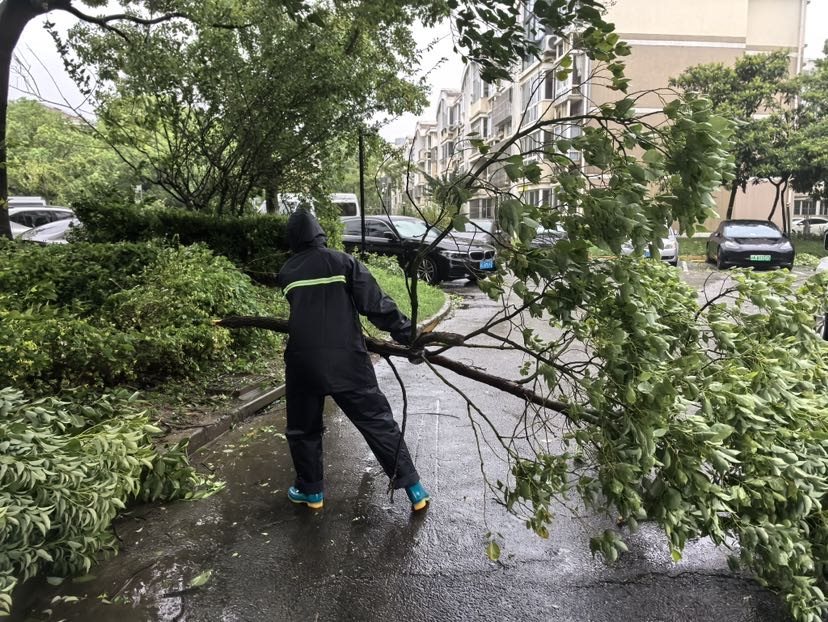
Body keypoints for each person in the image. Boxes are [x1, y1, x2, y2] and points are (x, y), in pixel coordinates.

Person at [276, 209, 430, 511]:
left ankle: (311, 492)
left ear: (293, 239)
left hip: (303, 363)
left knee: (303, 428)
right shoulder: (343, 262)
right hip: (347, 359)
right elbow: (376, 305)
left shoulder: (287, 272)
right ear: (320, 233)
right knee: (376, 420)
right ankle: (414, 488)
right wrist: (408, 336)